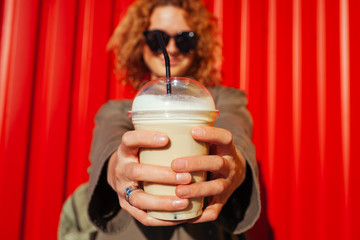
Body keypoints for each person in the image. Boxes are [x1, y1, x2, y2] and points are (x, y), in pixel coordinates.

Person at [58, 0, 260, 239]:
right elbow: (109, 143)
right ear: (139, 43)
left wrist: (233, 166)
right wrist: (117, 169)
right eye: (158, 38)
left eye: (185, 39)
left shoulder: (222, 99)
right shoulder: (117, 110)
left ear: (198, 46)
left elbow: (236, 135)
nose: (171, 49)